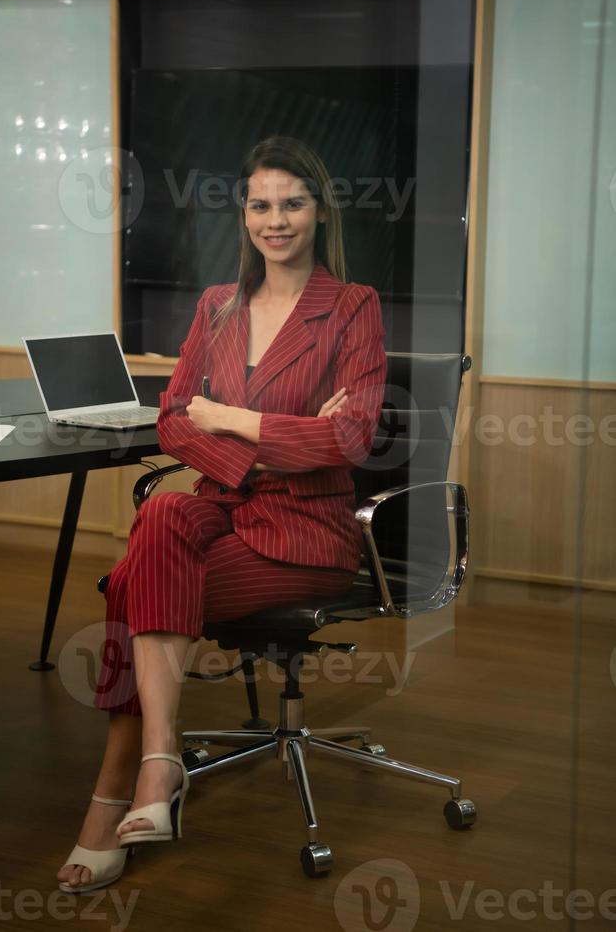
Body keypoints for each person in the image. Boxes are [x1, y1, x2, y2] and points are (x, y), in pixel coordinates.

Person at [57, 136, 387, 892]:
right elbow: (173, 418)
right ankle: (161, 757)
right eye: (261, 205)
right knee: (166, 516)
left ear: (318, 212)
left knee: (127, 591)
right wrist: (269, 446)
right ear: (244, 216)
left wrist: (230, 419)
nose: (276, 220)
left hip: (305, 532)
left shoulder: (351, 307)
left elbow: (350, 437)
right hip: (222, 511)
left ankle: (118, 795)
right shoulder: (218, 306)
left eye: (292, 204)